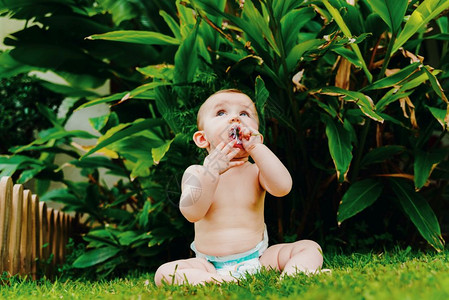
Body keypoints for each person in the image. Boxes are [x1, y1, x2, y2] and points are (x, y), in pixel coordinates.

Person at [154, 89, 324, 286]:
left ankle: (294, 276)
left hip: (258, 260)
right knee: (165, 273)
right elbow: (191, 212)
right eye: (221, 113)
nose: (235, 118)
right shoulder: (197, 172)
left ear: (258, 135)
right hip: (209, 264)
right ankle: (217, 281)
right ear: (202, 139)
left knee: (309, 247)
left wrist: (256, 148)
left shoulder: (256, 171)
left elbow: (283, 187)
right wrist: (212, 173)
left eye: (244, 114)